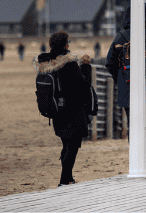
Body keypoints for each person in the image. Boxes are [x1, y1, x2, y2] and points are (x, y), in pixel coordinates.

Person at [105, 3, 146, 177]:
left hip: (128, 91)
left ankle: (135, 162)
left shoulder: (120, 38)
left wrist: (120, 80)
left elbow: (110, 64)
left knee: (133, 126)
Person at [35, 31, 93, 187]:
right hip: (73, 110)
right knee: (72, 146)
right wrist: (86, 67)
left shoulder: (45, 62)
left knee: (66, 145)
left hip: (56, 111)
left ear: (50, 45)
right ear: (66, 45)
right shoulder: (69, 63)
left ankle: (68, 178)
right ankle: (64, 180)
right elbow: (84, 86)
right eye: (68, 42)